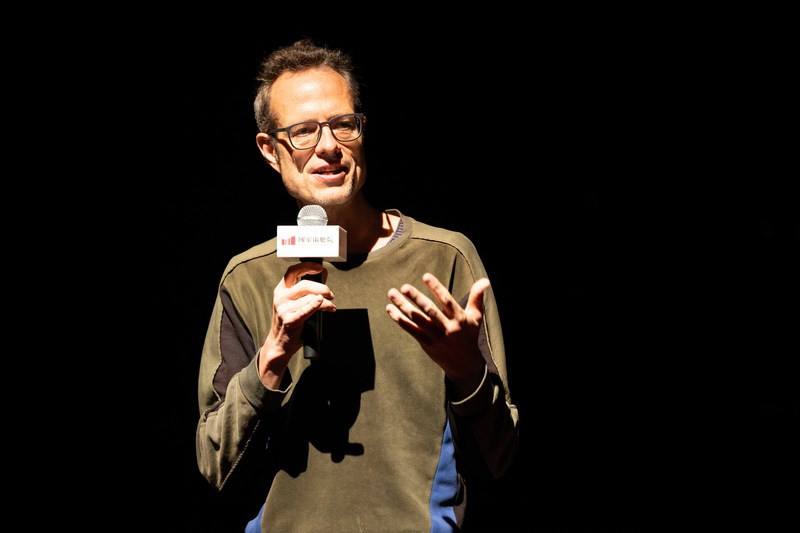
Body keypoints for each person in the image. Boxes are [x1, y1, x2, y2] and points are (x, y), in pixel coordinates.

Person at [196, 39, 518, 532]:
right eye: (303, 131)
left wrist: (466, 372)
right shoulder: (248, 277)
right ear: (269, 150)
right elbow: (214, 464)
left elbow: (502, 456)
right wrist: (273, 355)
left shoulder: (443, 258)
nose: (328, 146)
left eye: (343, 124)